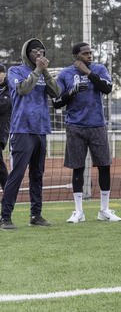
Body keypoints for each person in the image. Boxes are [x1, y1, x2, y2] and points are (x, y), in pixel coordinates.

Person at [53, 42, 121, 223]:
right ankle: (78, 212)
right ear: (76, 55)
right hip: (75, 126)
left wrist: (88, 73)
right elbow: (56, 102)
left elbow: (107, 89)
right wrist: (71, 92)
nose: (90, 56)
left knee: (104, 166)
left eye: (91, 53)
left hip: (97, 125)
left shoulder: (99, 69)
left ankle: (104, 210)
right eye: (85, 53)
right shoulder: (65, 74)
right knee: (78, 167)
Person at [0, 38, 61, 229]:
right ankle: (5, 217)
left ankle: (36, 215)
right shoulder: (15, 71)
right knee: (16, 175)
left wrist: (46, 73)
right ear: (27, 52)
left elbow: (57, 92)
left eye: (41, 51)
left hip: (41, 129)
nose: (39, 54)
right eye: (35, 51)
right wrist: (37, 70)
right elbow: (22, 90)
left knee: (37, 175)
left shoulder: (43, 72)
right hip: (21, 130)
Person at [0, 64, 11, 191]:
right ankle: (8, 191)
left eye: (1, 72)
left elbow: (5, 106)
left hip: (1, 132)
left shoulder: (10, 89)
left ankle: (8, 191)